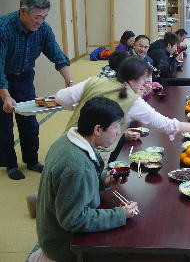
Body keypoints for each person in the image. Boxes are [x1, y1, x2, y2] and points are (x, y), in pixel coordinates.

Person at [29, 97, 139, 262]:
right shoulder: (76, 166)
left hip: (52, 225)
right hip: (63, 245)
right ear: (98, 130)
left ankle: (36, 200)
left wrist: (105, 180)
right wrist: (120, 214)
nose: (118, 132)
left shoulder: (67, 139)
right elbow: (73, 220)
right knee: (129, 247)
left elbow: (87, 176)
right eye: (115, 126)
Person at [55, 56, 190, 163]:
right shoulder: (131, 100)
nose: (146, 84)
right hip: (91, 156)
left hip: (66, 143)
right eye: (144, 80)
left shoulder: (95, 81)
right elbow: (166, 125)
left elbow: (61, 98)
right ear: (131, 79)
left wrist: (82, 106)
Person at [0, 0, 73, 180]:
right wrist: (6, 96)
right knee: (4, 125)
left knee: (30, 121)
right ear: (22, 11)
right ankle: (10, 164)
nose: (40, 21)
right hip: (2, 80)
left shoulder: (44, 30)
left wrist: (69, 82)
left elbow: (57, 55)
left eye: (44, 17)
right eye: (37, 17)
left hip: (24, 78)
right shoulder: (3, 28)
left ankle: (31, 160)